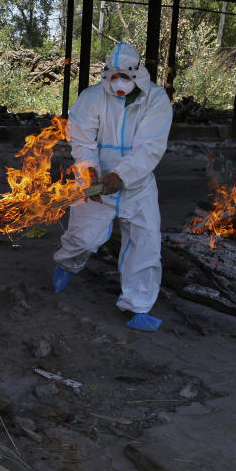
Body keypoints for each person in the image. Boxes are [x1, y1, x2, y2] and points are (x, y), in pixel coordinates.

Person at [53, 42, 173, 332]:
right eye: (113, 76)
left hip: (138, 186)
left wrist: (122, 175)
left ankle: (137, 306)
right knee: (82, 238)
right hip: (97, 186)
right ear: (106, 74)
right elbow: (82, 141)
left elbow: (150, 147)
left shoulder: (156, 100)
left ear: (138, 75)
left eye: (125, 77)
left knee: (145, 246)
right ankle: (67, 264)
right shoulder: (91, 97)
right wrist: (90, 174)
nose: (119, 83)